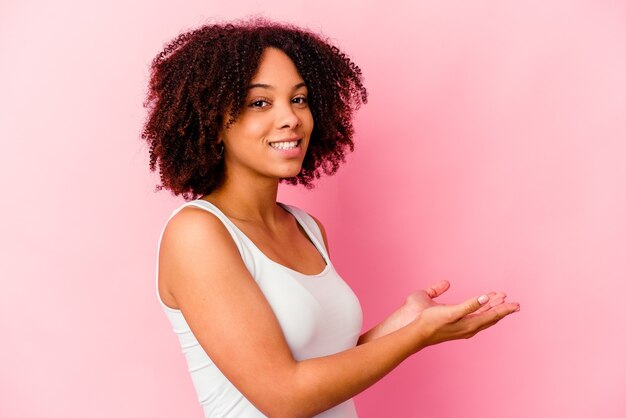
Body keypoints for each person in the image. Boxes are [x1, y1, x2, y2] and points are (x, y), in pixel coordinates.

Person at [142, 18, 520, 418]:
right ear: (212, 122)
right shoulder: (197, 233)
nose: (291, 118)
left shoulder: (306, 227)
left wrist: (407, 320)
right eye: (260, 102)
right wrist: (418, 336)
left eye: (300, 99)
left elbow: (329, 367)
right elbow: (285, 396)